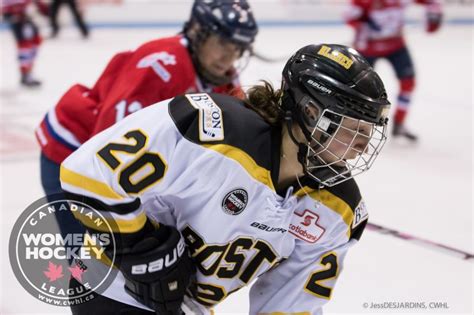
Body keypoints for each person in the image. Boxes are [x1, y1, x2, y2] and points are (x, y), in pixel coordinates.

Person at [59, 43, 391, 314]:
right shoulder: (211, 130)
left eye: (368, 131)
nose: (363, 144)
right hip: (109, 282)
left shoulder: (339, 210)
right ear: (310, 112)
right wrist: (142, 247)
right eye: (354, 127)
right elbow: (86, 172)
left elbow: (290, 304)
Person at [35, 0, 258, 237]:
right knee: (93, 256)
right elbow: (105, 150)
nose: (228, 57)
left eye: (237, 48)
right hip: (72, 155)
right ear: (197, 32)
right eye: (223, 43)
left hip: (116, 160)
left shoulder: (222, 77)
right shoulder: (160, 66)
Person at [345, 0, 442, 141]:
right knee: (359, 88)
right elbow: (349, 17)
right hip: (369, 48)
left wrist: (434, 13)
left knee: (408, 83)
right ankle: (352, 125)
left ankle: (399, 122)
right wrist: (363, 26)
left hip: (396, 45)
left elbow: (431, 3)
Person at [1, 0, 49, 87]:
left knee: (35, 41)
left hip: (25, 17)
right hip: (18, 18)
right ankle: (25, 74)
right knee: (25, 46)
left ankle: (28, 73)